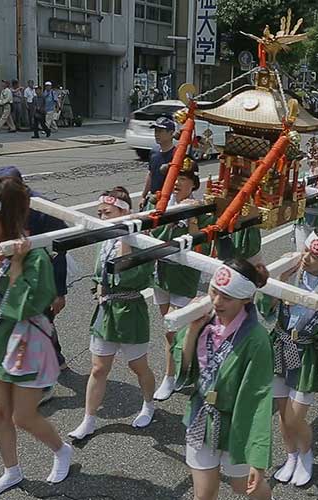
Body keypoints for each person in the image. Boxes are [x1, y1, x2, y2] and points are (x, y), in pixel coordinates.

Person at [0, 179, 73, 498]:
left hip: (28, 343)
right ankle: (11, 470)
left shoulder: (35, 255)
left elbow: (31, 306)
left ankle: (61, 449)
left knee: (22, 416)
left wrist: (17, 267)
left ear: (6, 218)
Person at [172, 259, 274, 500]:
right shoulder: (204, 318)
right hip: (201, 416)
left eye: (227, 297)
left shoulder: (256, 338)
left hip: (236, 423)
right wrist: (193, 330)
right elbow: (185, 370)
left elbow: (258, 398)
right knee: (203, 495)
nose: (217, 302)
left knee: (244, 487)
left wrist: (258, 461)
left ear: (246, 300)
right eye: (214, 292)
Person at [69, 187, 157, 439]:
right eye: (100, 212)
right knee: (98, 368)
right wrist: (98, 287)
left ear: (124, 212)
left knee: (138, 366)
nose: (102, 217)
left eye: (107, 212)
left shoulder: (143, 240)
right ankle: (89, 419)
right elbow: (100, 273)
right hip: (106, 309)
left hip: (130, 310)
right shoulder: (106, 238)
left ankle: (149, 404)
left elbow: (132, 277)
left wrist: (127, 240)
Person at [264, 227, 318, 487]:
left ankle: (305, 455)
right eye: (307, 251)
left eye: (315, 255)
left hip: (306, 353)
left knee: (295, 416)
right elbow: (264, 308)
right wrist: (278, 282)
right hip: (280, 344)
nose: (307, 257)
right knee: (282, 413)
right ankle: (290, 457)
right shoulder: (290, 271)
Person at [0, 167, 69, 403]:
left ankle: (44, 385)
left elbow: (60, 248)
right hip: (14, 273)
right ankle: (56, 358)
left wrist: (58, 292)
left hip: (40, 274)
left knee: (34, 324)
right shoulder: (0, 204)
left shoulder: (40, 208)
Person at [151, 159, 213, 402]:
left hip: (184, 274)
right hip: (162, 272)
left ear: (193, 184)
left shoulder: (201, 208)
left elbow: (204, 249)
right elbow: (154, 236)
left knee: (176, 328)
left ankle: (173, 375)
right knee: (168, 331)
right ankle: (179, 370)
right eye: (173, 178)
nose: (176, 183)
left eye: (182, 179)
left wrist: (191, 219)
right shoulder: (161, 203)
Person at [139, 116, 176, 210]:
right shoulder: (154, 151)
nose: (156, 134)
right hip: (153, 198)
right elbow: (150, 174)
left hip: (169, 199)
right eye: (155, 131)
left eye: (160, 131)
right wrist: (143, 196)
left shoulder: (176, 154)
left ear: (171, 133)